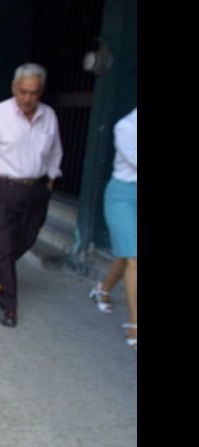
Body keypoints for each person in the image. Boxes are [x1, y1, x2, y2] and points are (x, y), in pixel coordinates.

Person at [0, 63, 63, 327]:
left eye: (34, 92)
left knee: (26, 241)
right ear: (14, 89)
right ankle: (9, 305)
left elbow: (55, 150)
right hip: (1, 190)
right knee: (4, 248)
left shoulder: (49, 115)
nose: (28, 98)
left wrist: (51, 178)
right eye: (23, 92)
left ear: (40, 92)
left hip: (36, 190)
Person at [89, 107, 137, 347]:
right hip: (123, 195)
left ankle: (103, 288)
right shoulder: (126, 125)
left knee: (127, 254)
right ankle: (135, 323)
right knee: (135, 258)